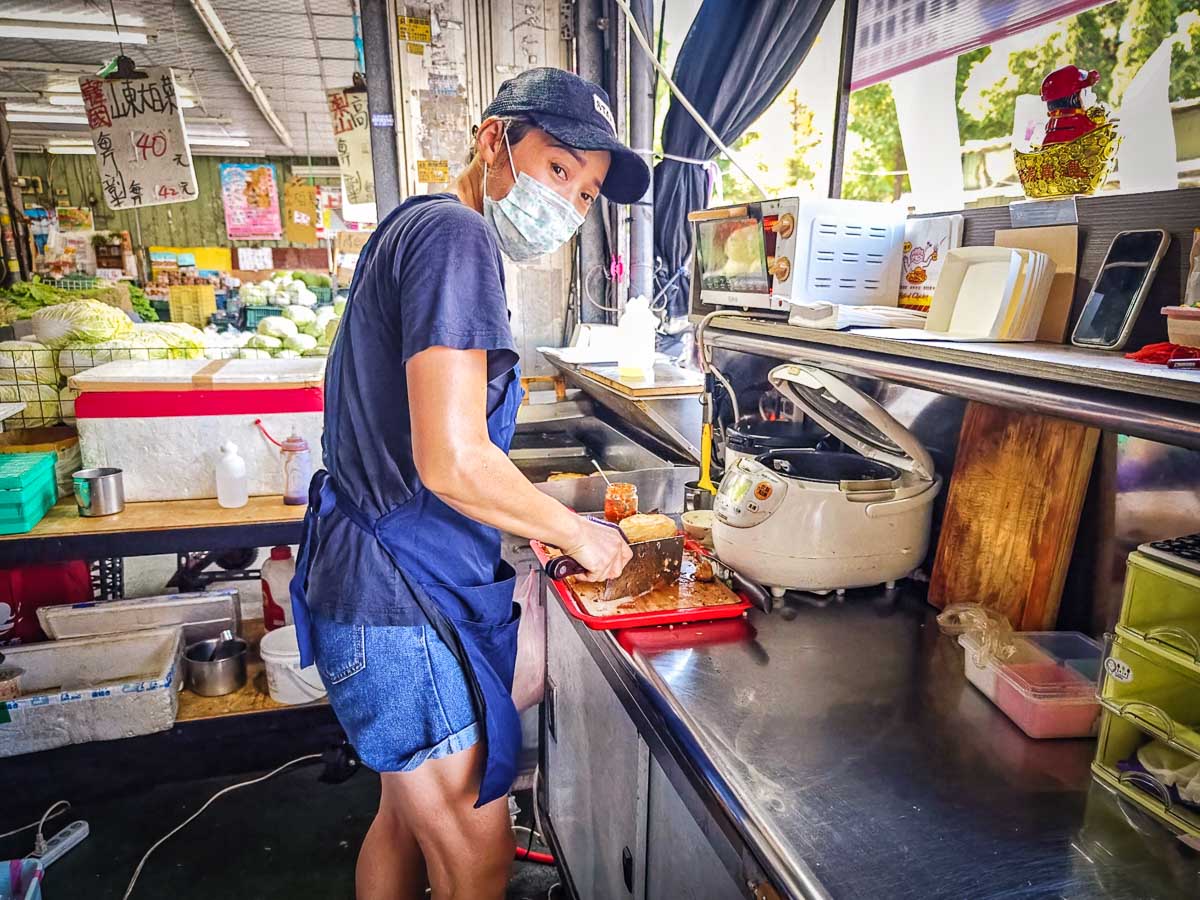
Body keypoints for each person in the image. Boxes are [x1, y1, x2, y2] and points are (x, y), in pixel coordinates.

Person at [290, 68, 649, 900]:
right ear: (495, 140)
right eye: (559, 169)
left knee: (402, 823)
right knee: (474, 857)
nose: (569, 204)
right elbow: (450, 460)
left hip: (375, 586)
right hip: (397, 602)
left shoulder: (417, 227)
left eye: (589, 193)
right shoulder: (456, 238)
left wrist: (526, 517)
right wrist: (580, 533)